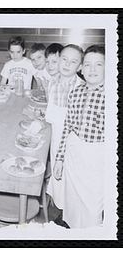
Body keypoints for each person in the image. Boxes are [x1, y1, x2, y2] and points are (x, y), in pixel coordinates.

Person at [54, 45, 105, 229]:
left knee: (92, 210)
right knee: (72, 203)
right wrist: (59, 159)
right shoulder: (75, 92)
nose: (92, 69)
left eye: (98, 64)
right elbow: (67, 127)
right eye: (88, 65)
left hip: (97, 161)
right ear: (82, 68)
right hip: (73, 156)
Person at [45, 44, 85, 213]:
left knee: (70, 179)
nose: (67, 64)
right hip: (55, 137)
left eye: (73, 61)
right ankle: (60, 208)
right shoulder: (52, 83)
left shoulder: (81, 88)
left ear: (80, 67)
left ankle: (68, 214)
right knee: (58, 179)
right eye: (64, 59)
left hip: (71, 142)